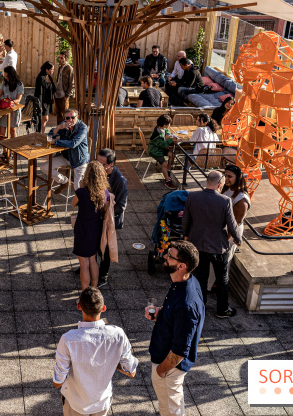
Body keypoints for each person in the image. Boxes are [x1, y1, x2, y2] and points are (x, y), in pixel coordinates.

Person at [53, 287, 137, 416]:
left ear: (79, 306)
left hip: (76, 403)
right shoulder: (118, 334)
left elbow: (58, 382)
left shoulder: (68, 339)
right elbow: (131, 371)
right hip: (101, 403)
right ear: (103, 308)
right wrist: (112, 361)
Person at [147, 240, 205, 416]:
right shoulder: (187, 281)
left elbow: (180, 351)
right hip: (165, 361)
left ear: (181, 266)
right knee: (167, 407)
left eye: (169, 256)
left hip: (169, 367)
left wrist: (161, 370)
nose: (165, 256)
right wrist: (161, 312)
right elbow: (177, 316)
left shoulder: (186, 305)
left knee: (172, 410)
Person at [182, 170, 240, 319]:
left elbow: (186, 220)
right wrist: (238, 239)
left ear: (207, 181)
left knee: (201, 278)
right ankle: (222, 309)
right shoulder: (225, 201)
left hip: (197, 245)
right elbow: (232, 225)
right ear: (220, 184)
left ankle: (201, 308)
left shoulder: (192, 196)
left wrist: (186, 236)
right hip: (218, 247)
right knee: (222, 279)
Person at [72, 162, 111, 291]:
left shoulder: (81, 192)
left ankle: (85, 295)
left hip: (83, 227)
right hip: (95, 227)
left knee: (84, 264)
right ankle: (94, 290)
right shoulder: (104, 193)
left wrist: (82, 186)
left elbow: (73, 204)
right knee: (93, 260)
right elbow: (105, 210)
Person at [96, 149, 127, 287]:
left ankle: (103, 274)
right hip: (97, 216)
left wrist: (106, 213)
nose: (98, 166)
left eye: (101, 164)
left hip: (110, 219)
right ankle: (90, 265)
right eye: (97, 162)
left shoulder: (120, 180)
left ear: (111, 164)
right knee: (94, 243)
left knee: (106, 249)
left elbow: (121, 205)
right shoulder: (98, 173)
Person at [49, 108, 89, 193]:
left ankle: (82, 205)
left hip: (79, 160)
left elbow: (73, 143)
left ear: (77, 117)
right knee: (45, 167)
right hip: (66, 157)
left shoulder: (82, 128)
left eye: (73, 117)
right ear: (65, 118)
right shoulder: (64, 124)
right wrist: (58, 127)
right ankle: (65, 182)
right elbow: (49, 137)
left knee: (78, 188)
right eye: (67, 118)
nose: (70, 120)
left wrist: (56, 141)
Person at [0, 65, 24, 161]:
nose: (6, 78)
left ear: (12, 75)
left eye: (7, 76)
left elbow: (18, 99)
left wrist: (9, 102)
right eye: (5, 76)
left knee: (12, 131)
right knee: (1, 132)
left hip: (13, 110)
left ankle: (12, 151)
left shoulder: (19, 84)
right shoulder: (4, 83)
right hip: (3, 110)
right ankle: (4, 151)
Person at [149, 114, 177, 189]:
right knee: (164, 164)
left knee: (172, 155)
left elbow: (167, 130)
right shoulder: (157, 135)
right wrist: (171, 139)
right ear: (164, 124)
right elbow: (163, 145)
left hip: (159, 148)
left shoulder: (161, 127)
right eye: (168, 124)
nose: (169, 126)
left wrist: (168, 134)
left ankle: (168, 170)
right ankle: (167, 181)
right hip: (155, 151)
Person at [54, 50, 75, 125]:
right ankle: (59, 131)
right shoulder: (60, 68)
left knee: (65, 115)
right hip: (57, 95)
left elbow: (72, 84)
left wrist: (67, 96)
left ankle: (65, 132)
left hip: (64, 95)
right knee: (58, 115)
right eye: (59, 57)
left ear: (66, 59)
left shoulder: (69, 69)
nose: (60, 59)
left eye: (62, 58)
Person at [35, 61, 55, 133]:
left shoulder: (49, 77)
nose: (52, 71)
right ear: (46, 69)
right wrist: (40, 105)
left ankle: (41, 134)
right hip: (42, 101)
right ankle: (40, 135)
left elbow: (53, 89)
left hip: (47, 102)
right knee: (43, 119)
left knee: (45, 119)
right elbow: (39, 93)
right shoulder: (41, 78)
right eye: (51, 69)